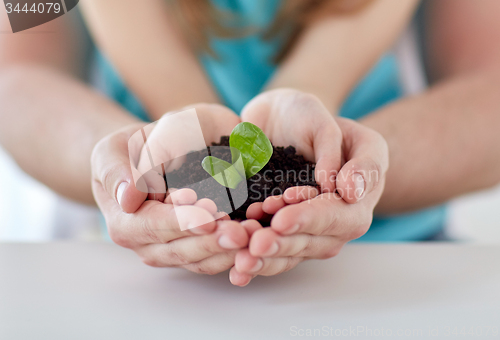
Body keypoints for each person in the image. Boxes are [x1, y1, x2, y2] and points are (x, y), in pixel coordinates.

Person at [1, 0, 500, 287]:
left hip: (394, 267)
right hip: (140, 271)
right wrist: (125, 164)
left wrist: (350, 167)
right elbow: (16, 71)